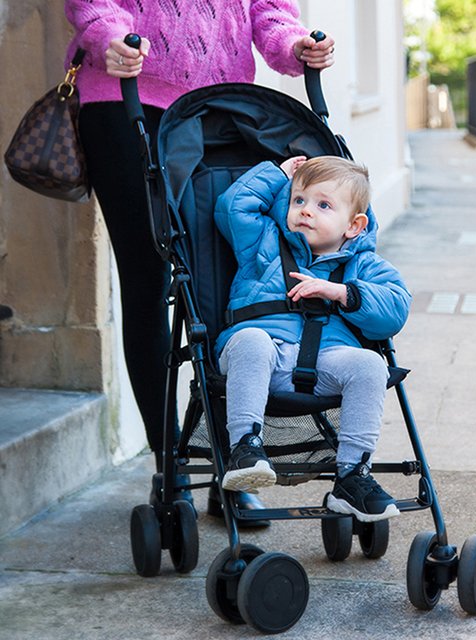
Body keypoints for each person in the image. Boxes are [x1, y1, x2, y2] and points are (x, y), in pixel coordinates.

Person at [64, 1, 335, 524]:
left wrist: (294, 45)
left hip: (225, 113)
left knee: (231, 286)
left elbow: (269, 11)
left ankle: (234, 463)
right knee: (149, 281)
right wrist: (109, 38)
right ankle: (172, 468)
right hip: (127, 106)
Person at [214, 155, 410, 522]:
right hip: (261, 355)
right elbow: (232, 206)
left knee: (371, 364)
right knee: (252, 339)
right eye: (299, 200)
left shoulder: (362, 265)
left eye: (323, 205)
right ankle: (245, 447)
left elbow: (396, 309)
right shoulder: (264, 240)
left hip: (326, 359)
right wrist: (278, 174)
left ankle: (352, 475)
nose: (305, 211)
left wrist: (341, 293)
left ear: (354, 225)